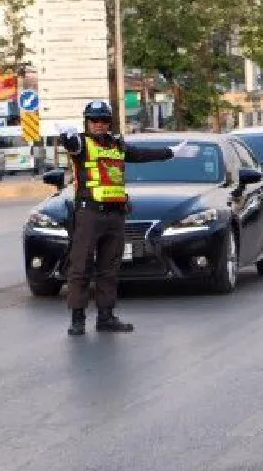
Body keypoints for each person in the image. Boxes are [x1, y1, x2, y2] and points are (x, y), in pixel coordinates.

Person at [58, 100, 198, 337]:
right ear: (87, 122)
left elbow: (142, 154)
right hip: (89, 212)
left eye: (104, 120)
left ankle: (106, 316)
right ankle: (77, 318)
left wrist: (171, 153)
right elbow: (71, 144)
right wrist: (65, 136)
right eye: (94, 120)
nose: (99, 124)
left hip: (115, 214)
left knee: (109, 267)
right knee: (80, 266)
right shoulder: (81, 143)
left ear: (109, 122)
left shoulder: (117, 145)